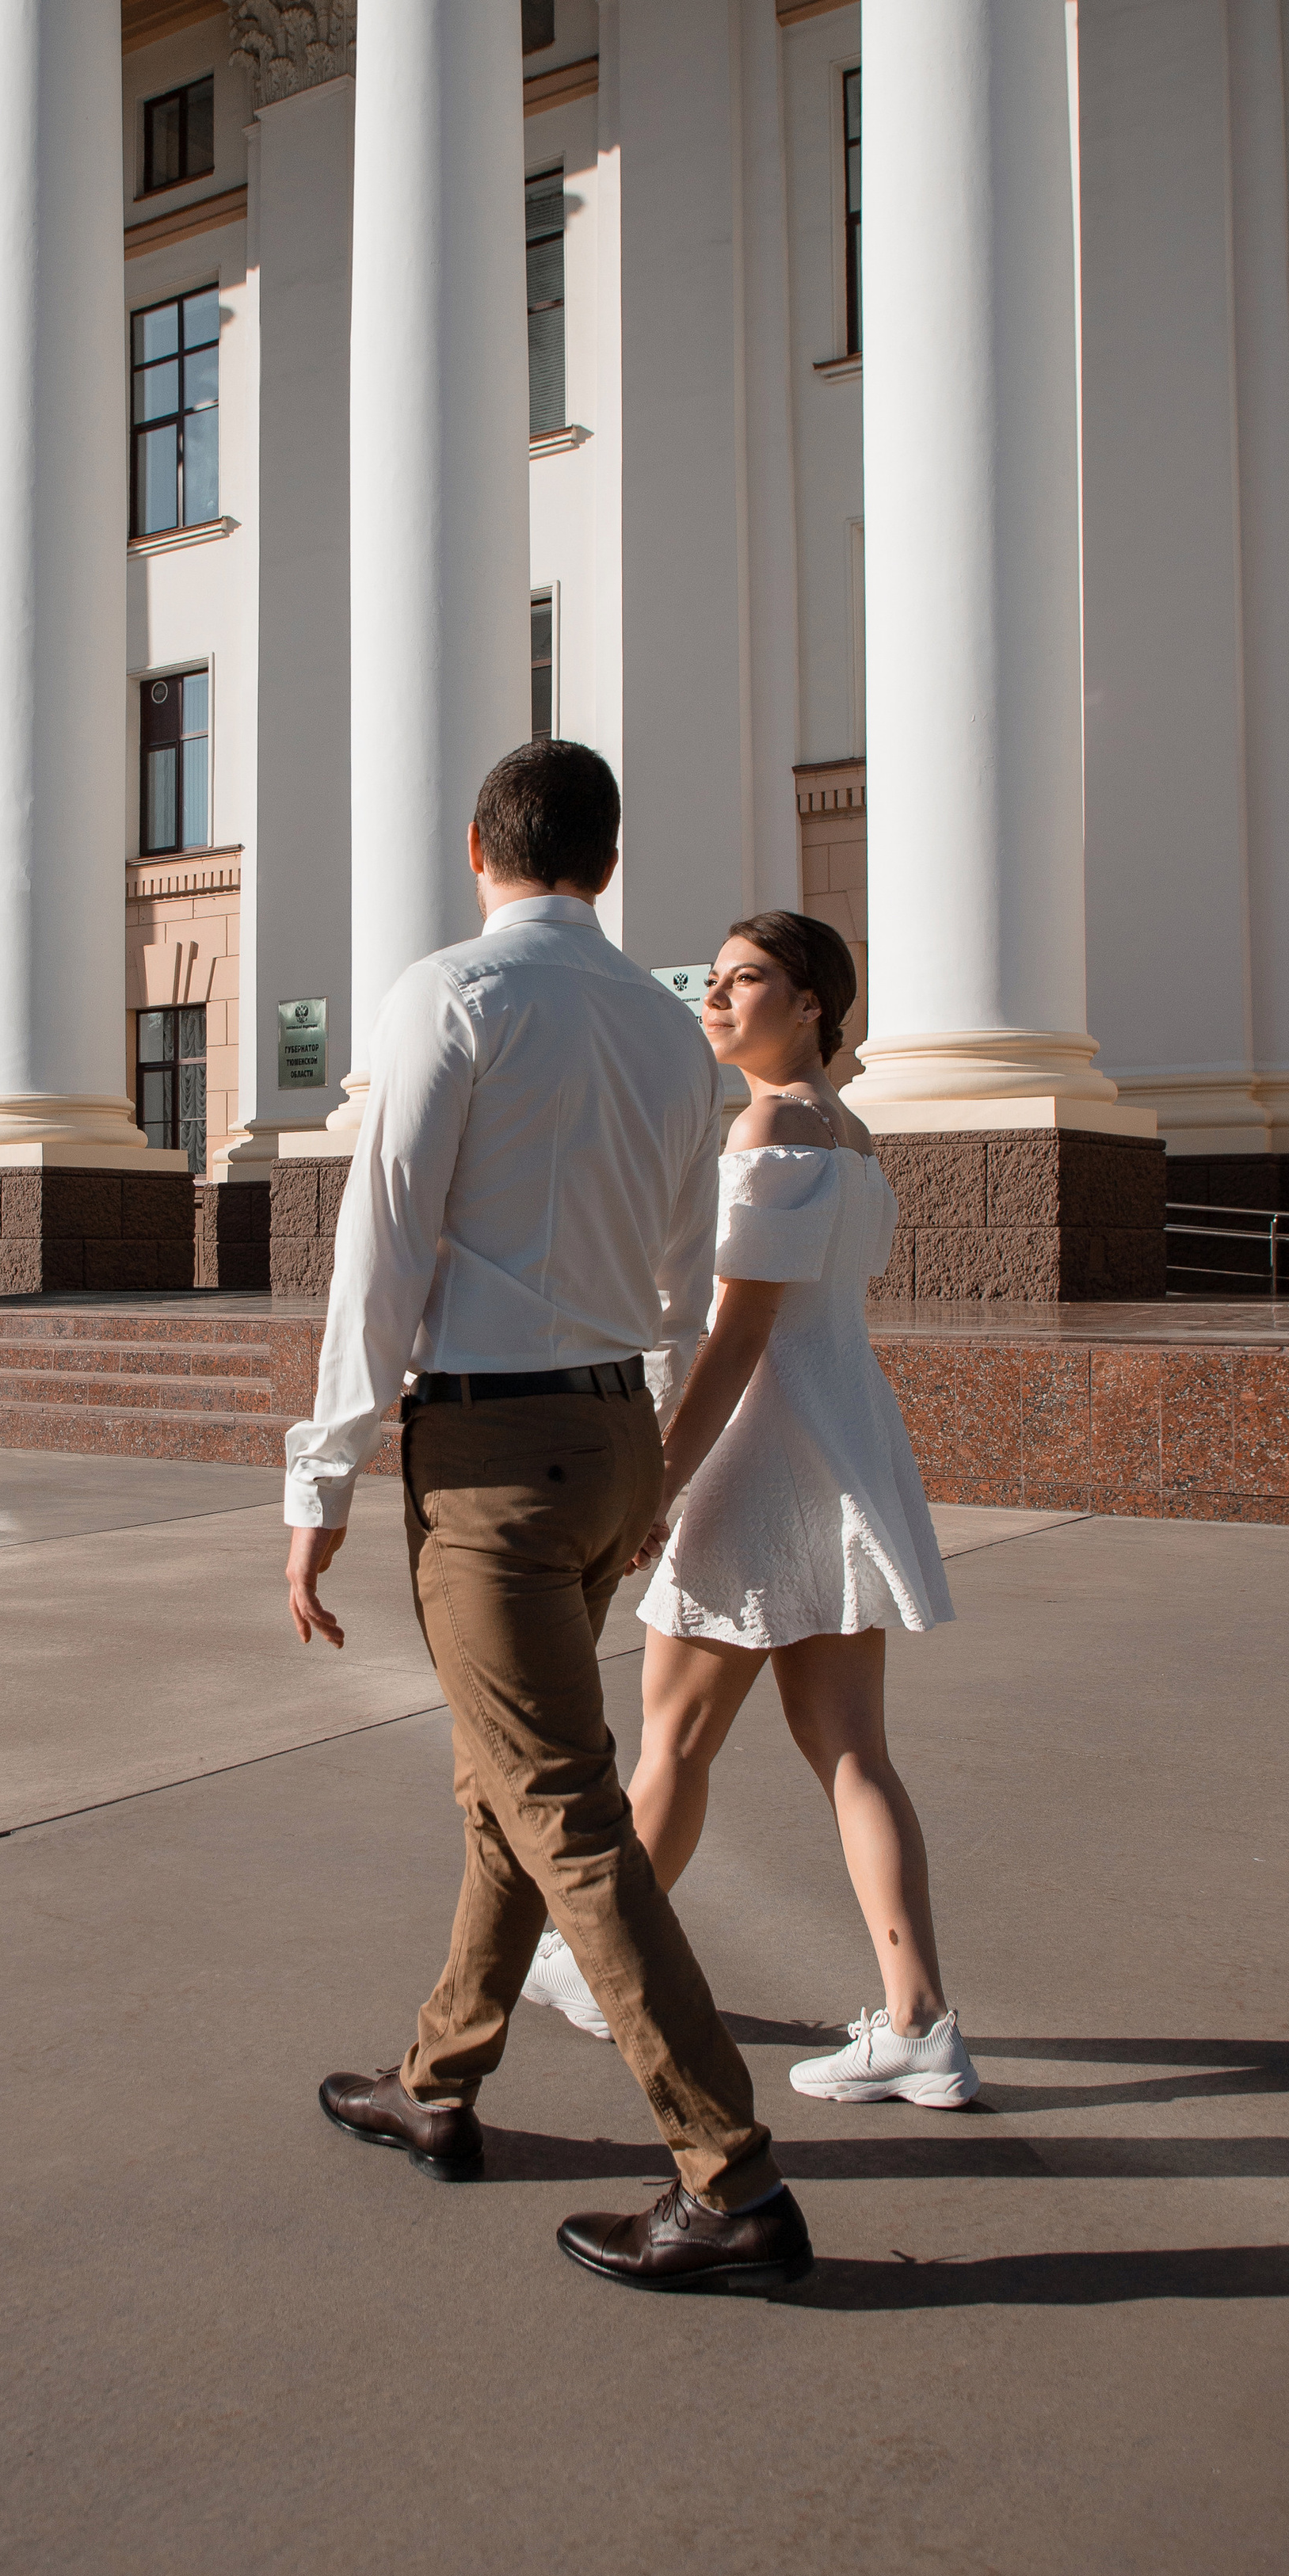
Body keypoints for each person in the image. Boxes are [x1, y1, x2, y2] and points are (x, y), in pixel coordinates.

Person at [284, 744, 813, 2295]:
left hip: (493, 1454)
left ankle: (728, 2177)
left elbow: (376, 1257)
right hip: (606, 1435)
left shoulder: (446, 995)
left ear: (474, 849)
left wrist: (316, 1483)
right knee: (505, 1785)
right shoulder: (670, 1033)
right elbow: (678, 1264)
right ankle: (436, 2084)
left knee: (557, 1808)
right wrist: (641, 1453)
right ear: (604, 858)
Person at [518, 911, 978, 2109]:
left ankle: (593, 1965)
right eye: (712, 982)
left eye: (747, 981)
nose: (715, 1001)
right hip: (843, 1441)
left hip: (757, 1459)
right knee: (851, 1753)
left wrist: (660, 1481)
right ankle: (920, 2022)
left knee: (673, 1739)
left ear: (814, 1002)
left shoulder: (775, 1125)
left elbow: (740, 1333)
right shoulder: (854, 1129)